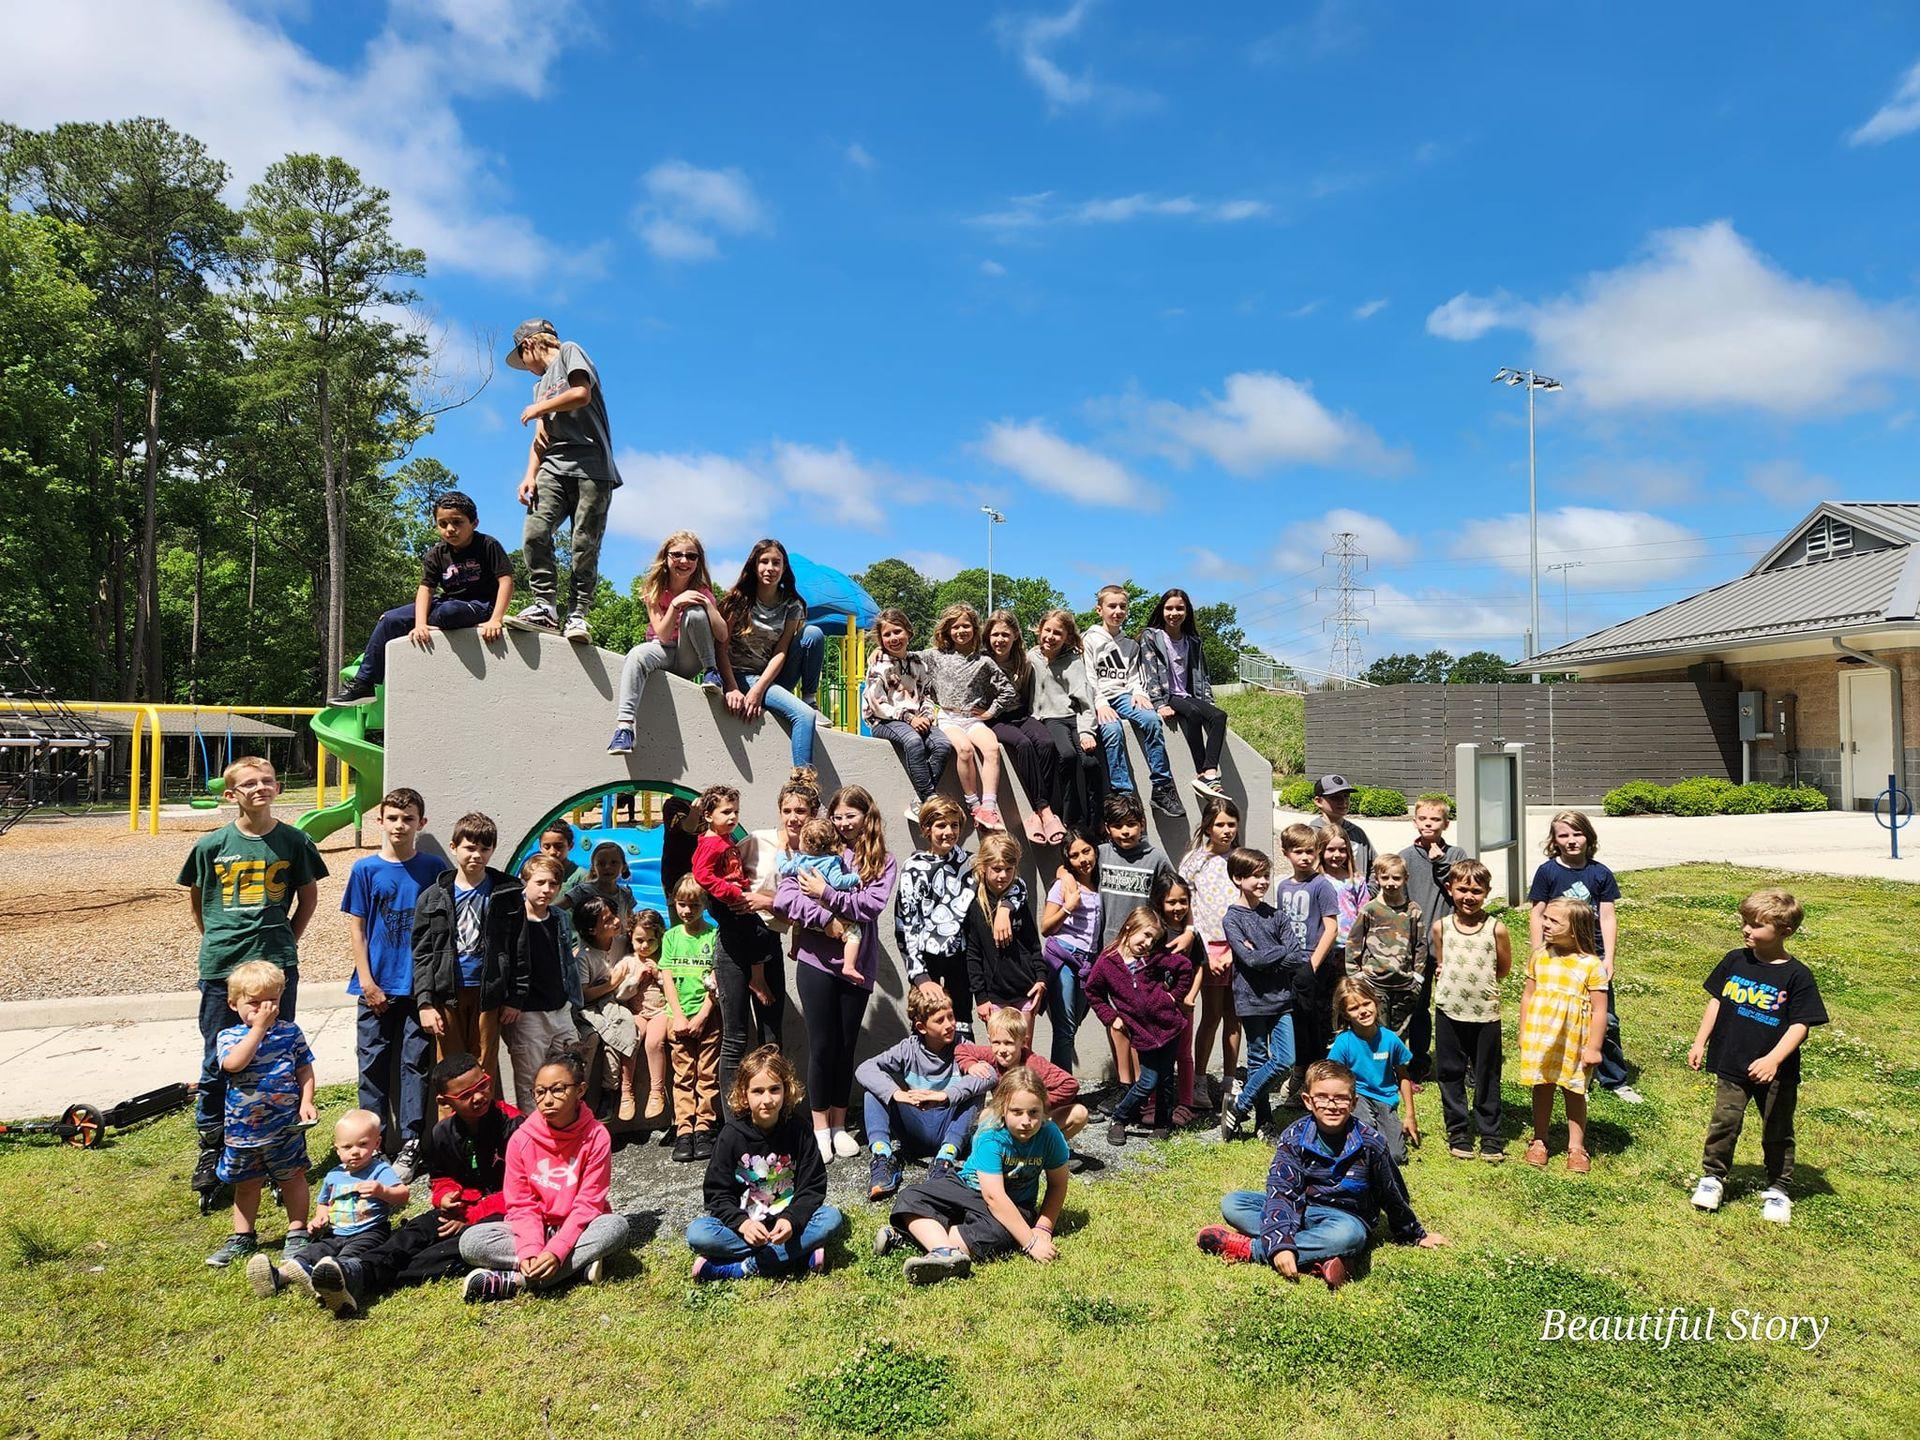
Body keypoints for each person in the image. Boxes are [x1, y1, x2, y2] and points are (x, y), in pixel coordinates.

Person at [179, 756, 326, 1203]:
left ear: (278, 788)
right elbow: (198, 900)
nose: (259, 788)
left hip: (275, 965)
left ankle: (281, 1150)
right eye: (248, 783)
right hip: (223, 964)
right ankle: (214, 1146)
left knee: (277, 1052)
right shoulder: (212, 846)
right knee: (216, 1057)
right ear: (231, 794)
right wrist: (219, 941)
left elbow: (308, 896)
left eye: (267, 781)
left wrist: (287, 943)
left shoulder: (294, 841)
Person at [1197, 1059, 1449, 1288]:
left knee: (1349, 1236)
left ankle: (1252, 1249)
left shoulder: (1372, 1142)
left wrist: (1415, 1234)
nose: (1331, 1105)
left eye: (1340, 1098)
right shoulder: (1294, 1138)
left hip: (1347, 1219)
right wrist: (1281, 1241)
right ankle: (1323, 1260)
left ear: (1353, 1102)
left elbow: (1391, 1192)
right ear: (1307, 1101)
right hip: (1302, 1209)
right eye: (1322, 1097)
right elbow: (1282, 1193)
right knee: (1234, 1203)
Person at [307, 1052, 523, 1317]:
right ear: (445, 1102)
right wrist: (444, 1197)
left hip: (505, 1212)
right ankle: (353, 1270)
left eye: (482, 1086)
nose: (478, 1097)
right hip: (461, 1208)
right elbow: (440, 1177)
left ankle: (361, 1275)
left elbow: (522, 1189)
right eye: (465, 1095)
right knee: (417, 1229)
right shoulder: (442, 1134)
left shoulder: (514, 1126)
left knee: (449, 1251)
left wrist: (470, 1216)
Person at [1687, 888, 1827, 1225]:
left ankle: (1778, 1189)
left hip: (1775, 1072)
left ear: (1784, 932)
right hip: (1731, 1061)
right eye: (1745, 922)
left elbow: (1800, 1025)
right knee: (1725, 1122)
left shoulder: (1797, 975)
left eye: (1756, 925)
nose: (1746, 929)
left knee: (1777, 1129)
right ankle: (1713, 1178)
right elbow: (1717, 1001)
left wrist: (1773, 1060)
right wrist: (1699, 1041)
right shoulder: (1735, 960)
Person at [775, 785, 898, 1160]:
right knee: (822, 1046)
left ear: (867, 817)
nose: (844, 823)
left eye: (851, 816)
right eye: (839, 816)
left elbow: (870, 906)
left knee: (846, 1048)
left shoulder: (883, 860)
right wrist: (829, 920)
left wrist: (828, 894)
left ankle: (841, 1123)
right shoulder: (820, 848)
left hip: (857, 966)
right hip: (815, 961)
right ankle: (819, 1127)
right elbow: (786, 897)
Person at [459, 1042, 631, 1301]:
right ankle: (574, 1270)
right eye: (539, 1092)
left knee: (615, 1227)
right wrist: (531, 1250)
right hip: (534, 1228)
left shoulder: (597, 1137)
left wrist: (557, 1250)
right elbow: (520, 1204)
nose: (547, 1100)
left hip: (578, 1228)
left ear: (580, 1090)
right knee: (470, 1241)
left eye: (558, 1090)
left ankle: (517, 1281)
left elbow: (588, 1204)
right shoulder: (521, 1138)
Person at [342, 787, 448, 1180]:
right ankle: (371, 1142)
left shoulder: (433, 868)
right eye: (393, 818)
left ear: (422, 823)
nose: (400, 826)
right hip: (374, 988)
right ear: (380, 821)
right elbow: (358, 929)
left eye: (408, 819)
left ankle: (410, 1143)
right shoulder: (365, 870)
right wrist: (367, 981)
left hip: (417, 989)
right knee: (372, 1064)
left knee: (414, 1064)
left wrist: (430, 989)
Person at [881, 1067, 1071, 1285]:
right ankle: (944, 1251)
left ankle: (918, 1240)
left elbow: (1057, 1185)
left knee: (1004, 1235)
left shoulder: (1050, 1135)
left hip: (1015, 1203)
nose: (1026, 1121)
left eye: (1033, 1112)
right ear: (1003, 1110)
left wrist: (1042, 1227)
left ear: (1043, 1109)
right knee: (910, 1196)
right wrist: (1031, 1243)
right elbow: (993, 1196)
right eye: (1017, 1112)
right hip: (968, 1187)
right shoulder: (990, 1134)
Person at [326, 489, 513, 706]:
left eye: (457, 522)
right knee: (389, 620)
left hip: (478, 606)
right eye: (443, 524)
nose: (450, 529)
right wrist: (421, 624)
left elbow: (506, 581)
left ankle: (440, 622)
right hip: (446, 603)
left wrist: (496, 619)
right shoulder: (436, 553)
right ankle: (364, 684)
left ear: (474, 523)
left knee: (449, 612)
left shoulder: (488, 545)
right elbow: (426, 589)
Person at [501, 318, 621, 644]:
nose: (526, 369)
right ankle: (545, 606)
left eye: (522, 361)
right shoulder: (539, 387)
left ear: (529, 346)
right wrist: (529, 475)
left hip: (592, 467)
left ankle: (578, 615)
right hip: (553, 467)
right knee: (535, 531)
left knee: (583, 545)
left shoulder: (570, 352)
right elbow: (541, 436)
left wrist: (539, 406)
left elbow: (581, 393)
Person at [688, 1046, 844, 1280]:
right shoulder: (731, 1135)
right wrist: (742, 1224)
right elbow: (716, 1194)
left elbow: (813, 1185)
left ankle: (743, 1267)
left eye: (774, 1090)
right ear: (744, 1094)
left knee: (831, 1218)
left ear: (786, 1090)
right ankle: (798, 1255)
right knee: (698, 1233)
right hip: (749, 1228)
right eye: (758, 1091)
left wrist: (791, 1219)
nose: (767, 1100)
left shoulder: (799, 1130)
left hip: (788, 1224)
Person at [203, 961, 316, 1270]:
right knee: (246, 1182)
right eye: (254, 1003)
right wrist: (258, 1029)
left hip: (285, 1126)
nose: (264, 1009)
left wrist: (307, 1101)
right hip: (243, 1130)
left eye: (273, 1002)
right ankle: (243, 1236)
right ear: (232, 1003)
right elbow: (234, 1064)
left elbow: (304, 1068)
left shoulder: (290, 1032)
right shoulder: (229, 1036)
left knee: (292, 1176)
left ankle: (297, 1231)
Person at [1528, 809, 1642, 1104]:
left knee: (1606, 1018)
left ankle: (1614, 1078)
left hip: (1593, 955)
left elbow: (1607, 916)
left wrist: (1610, 959)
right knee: (1563, 1016)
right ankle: (1574, 1076)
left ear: (1588, 836)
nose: (1571, 840)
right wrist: (1538, 949)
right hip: (1557, 955)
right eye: (1563, 835)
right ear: (1554, 840)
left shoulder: (1600, 873)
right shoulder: (1547, 872)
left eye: (1577, 834)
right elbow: (1537, 913)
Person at [691, 783, 784, 1113]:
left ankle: (772, 1106)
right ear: (708, 815)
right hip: (734, 912)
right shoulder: (711, 843)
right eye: (725, 812)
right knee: (735, 1036)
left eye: (735, 812)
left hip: (742, 908)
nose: (732, 817)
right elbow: (702, 876)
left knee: (759, 933)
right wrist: (732, 895)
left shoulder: (728, 841)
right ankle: (732, 1115)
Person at [247, 1109, 408, 1298]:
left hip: (370, 1231)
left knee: (348, 1256)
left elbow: (403, 1195)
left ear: (377, 1143)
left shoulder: (379, 1170)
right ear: (337, 1149)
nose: (355, 1151)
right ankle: (279, 1276)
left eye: (363, 1144)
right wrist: (319, 1217)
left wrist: (383, 1191)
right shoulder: (334, 1175)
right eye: (347, 1147)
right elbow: (324, 1202)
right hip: (335, 1233)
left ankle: (332, 1281)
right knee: (312, 1251)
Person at [855, 984, 994, 1201]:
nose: (950, 1025)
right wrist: (896, 1094)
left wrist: (945, 1096)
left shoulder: (964, 1047)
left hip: (949, 1130)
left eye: (951, 1016)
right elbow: (865, 1069)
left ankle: (944, 1161)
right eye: (940, 1020)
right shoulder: (907, 1049)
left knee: (975, 1089)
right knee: (873, 1091)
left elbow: (990, 1075)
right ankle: (883, 1158)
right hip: (915, 1127)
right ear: (921, 1027)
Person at [413, 810, 513, 1093]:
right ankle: (452, 1134)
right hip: (448, 994)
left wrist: (515, 996)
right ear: (454, 847)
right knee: (450, 1070)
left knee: (484, 1067)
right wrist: (424, 1002)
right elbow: (422, 954)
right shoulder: (432, 897)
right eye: (469, 847)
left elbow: (518, 947)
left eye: (484, 848)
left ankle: (484, 1133)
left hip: (488, 995)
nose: (476, 855)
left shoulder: (504, 893)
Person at [608, 531, 734, 755]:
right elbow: (663, 636)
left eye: (691, 556)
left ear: (698, 561)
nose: (684, 561)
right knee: (636, 654)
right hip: (662, 650)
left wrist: (707, 605)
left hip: (690, 657)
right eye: (677, 555)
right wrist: (675, 605)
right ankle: (624, 728)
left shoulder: (703, 591)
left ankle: (711, 671)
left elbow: (723, 635)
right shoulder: (654, 589)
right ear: (666, 558)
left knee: (695, 612)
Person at [1086, 906, 1193, 1145]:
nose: (1147, 942)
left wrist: (1173, 996)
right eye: (1145, 935)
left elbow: (1184, 967)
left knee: (1166, 1078)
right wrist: (1111, 1017)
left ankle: (1162, 1124)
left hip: (1169, 1027)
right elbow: (1093, 992)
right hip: (1142, 1033)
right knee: (1148, 1081)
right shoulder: (1106, 963)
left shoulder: (1154, 957)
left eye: (1153, 939)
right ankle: (1120, 1118)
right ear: (1129, 927)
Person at [1517, 896, 1609, 1173]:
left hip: (1574, 1039)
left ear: (1575, 928)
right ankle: (1540, 1139)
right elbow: (1528, 995)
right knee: (1542, 1085)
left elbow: (1599, 1010)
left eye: (1553, 920)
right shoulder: (1539, 956)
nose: (1545, 923)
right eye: (1545, 917)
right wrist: (1523, 1032)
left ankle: (1577, 1146)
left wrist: (1594, 1047)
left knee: (1574, 1089)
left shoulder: (1591, 965)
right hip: (1542, 1034)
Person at [1429, 859, 1509, 1162]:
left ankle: (1490, 1133)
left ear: (1487, 893)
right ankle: (1459, 1131)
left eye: (1476, 891)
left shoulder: (1496, 928)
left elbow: (1503, 967)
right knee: (1450, 1071)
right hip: (1449, 1008)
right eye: (1462, 889)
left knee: (1487, 1073)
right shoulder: (1442, 927)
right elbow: (1442, 961)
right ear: (1450, 889)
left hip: (1485, 1013)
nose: (1469, 896)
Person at [719, 538, 824, 766]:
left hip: (770, 676)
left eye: (776, 562)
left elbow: (782, 650)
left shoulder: (792, 604)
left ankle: (810, 699)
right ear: (754, 566)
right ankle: (802, 784)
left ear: (784, 568)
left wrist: (759, 690)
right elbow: (721, 647)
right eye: (764, 562)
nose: (770, 568)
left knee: (813, 633)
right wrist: (732, 687)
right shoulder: (737, 601)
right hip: (740, 675)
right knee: (804, 718)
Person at [1219, 847, 1298, 1141]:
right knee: (1256, 1060)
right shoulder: (1233, 919)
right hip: (1250, 1000)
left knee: (1285, 1059)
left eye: (1266, 875)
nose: (1263, 881)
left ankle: (1238, 1105)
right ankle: (1264, 1123)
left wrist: (1265, 953)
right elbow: (1249, 960)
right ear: (1239, 878)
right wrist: (1278, 953)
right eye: (1256, 876)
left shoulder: (1276, 916)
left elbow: (1298, 956)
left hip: (1280, 999)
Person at [1083, 585, 1183, 818]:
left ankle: (1162, 787)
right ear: (1099, 610)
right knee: (1112, 730)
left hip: (1124, 695)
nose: (1118, 611)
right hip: (1101, 698)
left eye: (1122, 606)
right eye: (1112, 606)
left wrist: (1139, 692)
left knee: (1150, 720)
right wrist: (1100, 703)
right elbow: (1088, 676)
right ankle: (1123, 792)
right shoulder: (1089, 640)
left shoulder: (1131, 644)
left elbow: (1135, 676)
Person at [495, 854, 583, 1113]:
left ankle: (565, 1128)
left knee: (569, 1072)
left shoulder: (558, 917)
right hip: (528, 1014)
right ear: (525, 882)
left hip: (560, 1008)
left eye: (554, 884)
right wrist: (511, 1000)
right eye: (540, 882)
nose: (547, 889)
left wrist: (571, 1000)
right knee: (532, 1081)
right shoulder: (513, 919)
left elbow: (566, 960)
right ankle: (534, 1135)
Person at [920, 602, 1017, 832]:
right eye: (955, 627)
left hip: (973, 718)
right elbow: (905, 656)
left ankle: (988, 807)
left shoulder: (983, 661)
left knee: (992, 748)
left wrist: (990, 712)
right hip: (947, 716)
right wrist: (879, 651)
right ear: (947, 630)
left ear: (974, 628)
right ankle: (973, 804)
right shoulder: (935, 656)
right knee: (964, 750)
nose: (961, 631)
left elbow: (1008, 691)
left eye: (966, 626)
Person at [982, 609, 1066, 844]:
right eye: (995, 634)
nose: (1000, 640)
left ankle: (1041, 811)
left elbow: (1027, 694)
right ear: (988, 636)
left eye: (1006, 635)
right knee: (1024, 744)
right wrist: (879, 652)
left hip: (1019, 714)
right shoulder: (980, 660)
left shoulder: (1023, 661)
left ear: (1015, 636)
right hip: (993, 718)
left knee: (1046, 742)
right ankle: (1044, 810)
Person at [863, 607, 954, 820]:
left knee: (943, 745)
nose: (893, 638)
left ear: (908, 633)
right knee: (914, 742)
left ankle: (920, 799)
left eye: (897, 632)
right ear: (880, 639)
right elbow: (877, 703)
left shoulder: (917, 663)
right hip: (885, 721)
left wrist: (926, 717)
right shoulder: (879, 665)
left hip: (916, 718)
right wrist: (908, 717)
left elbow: (927, 695)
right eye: (887, 635)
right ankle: (931, 799)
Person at [1180, 797, 1242, 1114]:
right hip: (1209, 949)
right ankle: (1200, 1081)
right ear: (1208, 826)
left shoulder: (1241, 860)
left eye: (1232, 824)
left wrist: (1239, 947)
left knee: (1235, 1018)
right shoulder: (1194, 862)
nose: (1227, 830)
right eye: (1220, 824)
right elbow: (1190, 910)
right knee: (1212, 1015)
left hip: (1239, 950)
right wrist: (1206, 952)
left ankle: (1231, 1081)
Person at [1139, 588, 1229, 801]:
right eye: (1169, 608)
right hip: (1167, 694)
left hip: (1188, 694)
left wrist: (1210, 704)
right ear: (1162, 611)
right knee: (1193, 714)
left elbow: (1202, 675)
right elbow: (1150, 671)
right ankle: (1201, 772)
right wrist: (1159, 703)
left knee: (1219, 716)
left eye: (1179, 608)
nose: (1174, 613)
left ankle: (1209, 772)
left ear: (1187, 612)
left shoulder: (1193, 641)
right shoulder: (1151, 636)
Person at [1399, 794, 1466, 1079]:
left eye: (1435, 819)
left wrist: (1439, 862)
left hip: (1450, 941)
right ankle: (1419, 1058)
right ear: (1415, 822)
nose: (1429, 824)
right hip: (1417, 943)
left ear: (1446, 824)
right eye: (1424, 819)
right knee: (1419, 1003)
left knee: (1454, 1000)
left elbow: (1459, 887)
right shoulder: (1405, 856)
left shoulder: (1457, 855)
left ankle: (1460, 1057)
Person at [895, 796, 977, 1019]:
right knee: (928, 1018)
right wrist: (919, 974)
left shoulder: (972, 865)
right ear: (926, 829)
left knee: (961, 1021)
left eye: (954, 825)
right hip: (926, 956)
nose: (948, 831)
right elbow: (907, 922)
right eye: (941, 825)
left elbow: (1010, 880)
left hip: (961, 957)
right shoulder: (914, 868)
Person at [1027, 608, 1105, 832]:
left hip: (1074, 716)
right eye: (1047, 630)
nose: (1050, 637)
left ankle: (1096, 819)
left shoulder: (1074, 662)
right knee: (1067, 756)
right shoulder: (1032, 658)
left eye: (1057, 633)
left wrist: (1087, 732)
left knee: (1090, 761)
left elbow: (1085, 700)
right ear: (1039, 631)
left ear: (1067, 637)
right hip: (1050, 718)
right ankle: (1072, 818)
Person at [1325, 976, 1418, 1163]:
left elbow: (1403, 1076)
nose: (1363, 1011)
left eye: (1366, 1004)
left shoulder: (1391, 1039)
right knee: (1365, 1132)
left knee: (1396, 1156)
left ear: (1375, 1002)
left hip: (1385, 1098)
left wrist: (1410, 1115)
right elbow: (1332, 1080)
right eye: (1354, 1008)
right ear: (1345, 1014)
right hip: (1356, 1096)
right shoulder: (1343, 1043)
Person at [955, 1009, 1087, 1140]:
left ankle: (1045, 1153)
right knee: (986, 1115)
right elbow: (962, 1049)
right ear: (990, 1040)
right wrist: (971, 1064)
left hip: (1031, 1119)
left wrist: (1037, 1103)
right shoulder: (991, 1054)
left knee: (1080, 1113)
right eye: (996, 1042)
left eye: (1009, 1043)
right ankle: (1000, 1152)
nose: (1002, 1050)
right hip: (1006, 1118)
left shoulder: (1034, 1063)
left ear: (1023, 1042)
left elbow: (1070, 1084)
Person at [663, 873, 723, 1162]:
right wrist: (678, 1015)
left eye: (694, 905)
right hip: (679, 1018)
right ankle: (684, 1127)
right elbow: (667, 978)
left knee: (707, 1073)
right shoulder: (671, 937)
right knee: (683, 1074)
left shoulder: (714, 935)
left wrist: (701, 1015)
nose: (686, 911)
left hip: (707, 1017)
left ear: (704, 905)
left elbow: (716, 978)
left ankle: (704, 1126)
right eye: (681, 905)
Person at [1275, 822, 1340, 1079]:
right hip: (1290, 963)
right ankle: (1299, 1073)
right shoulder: (1283, 886)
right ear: (1285, 852)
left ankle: (1314, 1075)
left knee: (1315, 1023)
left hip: (1314, 964)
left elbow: (1331, 927)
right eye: (1298, 851)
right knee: (1296, 1021)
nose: (1305, 857)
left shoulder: (1321, 885)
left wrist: (1312, 965)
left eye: (1310, 852)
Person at [1345, 854, 1427, 1051]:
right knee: (1375, 1030)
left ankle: (1400, 1075)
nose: (1391, 883)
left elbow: (1420, 945)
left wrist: (1417, 977)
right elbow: (1354, 942)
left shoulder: (1413, 911)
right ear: (1377, 878)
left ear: (1406, 878)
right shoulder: (1370, 909)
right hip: (1374, 982)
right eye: (1385, 878)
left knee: (1400, 1033)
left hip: (1404, 983)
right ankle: (1376, 1075)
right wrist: (1356, 975)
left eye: (1396, 878)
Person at [573, 894, 642, 1122]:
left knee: (618, 1032)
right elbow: (583, 995)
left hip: (615, 1003)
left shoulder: (621, 942)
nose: (615, 921)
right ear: (592, 930)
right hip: (591, 1006)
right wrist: (610, 984)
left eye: (613, 916)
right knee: (596, 1037)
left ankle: (610, 1091)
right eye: (607, 920)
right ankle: (585, 1094)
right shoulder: (584, 957)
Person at [963, 832, 1045, 1024]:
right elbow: (973, 953)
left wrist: (1041, 978)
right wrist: (981, 997)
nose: (1003, 875)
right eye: (997, 869)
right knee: (1001, 1050)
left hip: (1026, 990)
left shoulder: (1018, 901)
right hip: (995, 997)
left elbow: (1033, 944)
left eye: (1009, 869)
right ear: (983, 867)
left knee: (1024, 1051)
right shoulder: (976, 905)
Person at [1039, 829, 1102, 1070]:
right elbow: (1045, 927)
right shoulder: (1064, 887)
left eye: (1086, 851)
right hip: (1063, 958)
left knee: (1074, 1023)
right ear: (1068, 859)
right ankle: (1063, 1093)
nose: (1082, 859)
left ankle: (1057, 1081)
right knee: (1064, 1028)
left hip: (1089, 963)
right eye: (1074, 855)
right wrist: (1068, 907)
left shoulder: (1101, 882)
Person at [779, 817, 864, 980]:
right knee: (855, 932)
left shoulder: (799, 860)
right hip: (828, 912)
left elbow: (783, 867)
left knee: (797, 923)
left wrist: (782, 851)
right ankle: (849, 966)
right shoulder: (831, 861)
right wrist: (855, 877)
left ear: (803, 843)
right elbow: (838, 882)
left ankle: (794, 949)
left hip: (809, 917)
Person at [1096, 790, 1177, 957]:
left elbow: (1179, 893)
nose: (1125, 831)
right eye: (1117, 826)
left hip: (1144, 947)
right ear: (1107, 828)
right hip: (1107, 945)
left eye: (1131, 824)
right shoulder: (1100, 855)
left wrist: (1189, 929)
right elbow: (1069, 869)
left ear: (1142, 824)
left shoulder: (1156, 859)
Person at [1154, 871, 1207, 1125]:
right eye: (1171, 902)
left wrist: (1191, 996)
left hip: (1183, 1006)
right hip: (1156, 1007)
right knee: (1154, 1052)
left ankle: (1185, 1103)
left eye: (1183, 901)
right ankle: (1153, 1102)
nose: (1178, 907)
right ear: (1159, 902)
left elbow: (1199, 967)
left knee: (1184, 1054)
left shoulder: (1191, 936)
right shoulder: (1153, 931)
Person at [623, 909, 673, 1127]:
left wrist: (659, 976)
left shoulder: (663, 960)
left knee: (654, 1042)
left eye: (651, 940)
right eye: (639, 940)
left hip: (660, 1012)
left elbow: (672, 989)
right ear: (630, 937)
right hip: (638, 1013)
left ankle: (656, 1091)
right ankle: (626, 1092)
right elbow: (621, 994)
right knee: (629, 1039)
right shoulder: (628, 962)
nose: (644, 946)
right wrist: (635, 980)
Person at [1306, 774, 1374, 882]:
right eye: (1335, 797)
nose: (1343, 801)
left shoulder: (1357, 833)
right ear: (1318, 801)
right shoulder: (1311, 834)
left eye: (1346, 796)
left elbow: (1374, 866)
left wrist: (1368, 892)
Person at [564, 840, 635, 927]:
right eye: (601, 863)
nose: (607, 867)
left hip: (619, 939)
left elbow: (630, 919)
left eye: (613, 862)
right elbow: (556, 908)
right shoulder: (583, 891)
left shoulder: (625, 894)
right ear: (593, 869)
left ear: (624, 867)